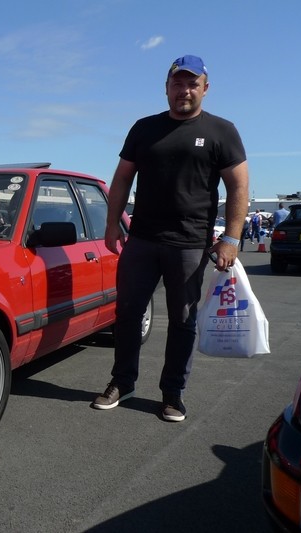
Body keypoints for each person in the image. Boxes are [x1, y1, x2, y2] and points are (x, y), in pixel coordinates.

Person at [92, 55, 249, 422]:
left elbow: (238, 185)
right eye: (177, 83)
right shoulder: (144, 128)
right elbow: (121, 179)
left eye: (193, 84)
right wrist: (113, 224)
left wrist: (232, 238)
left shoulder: (221, 131)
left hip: (190, 244)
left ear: (205, 89)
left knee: (183, 320)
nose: (184, 90)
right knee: (128, 314)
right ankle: (122, 382)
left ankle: (173, 393)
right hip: (142, 240)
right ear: (166, 88)